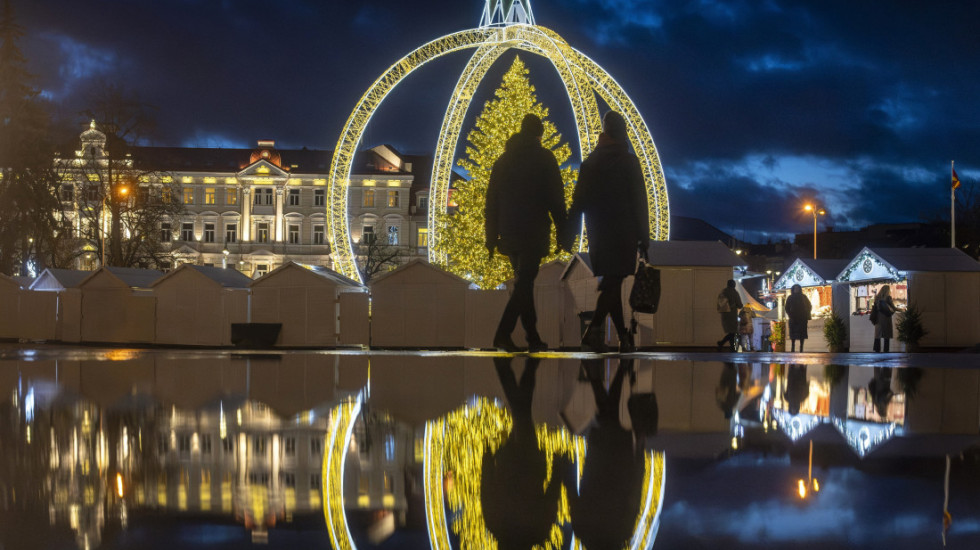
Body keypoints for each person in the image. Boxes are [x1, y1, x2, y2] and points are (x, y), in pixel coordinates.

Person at [485, 113, 568, 352]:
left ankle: (532, 336)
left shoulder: (503, 161)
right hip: (533, 230)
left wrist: (491, 238)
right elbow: (556, 200)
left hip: (509, 231)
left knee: (525, 283)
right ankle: (503, 333)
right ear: (539, 135)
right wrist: (563, 232)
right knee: (525, 281)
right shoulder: (544, 158)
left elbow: (492, 202)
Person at [568, 111, 649, 353]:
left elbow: (579, 200)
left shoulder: (590, 163)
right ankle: (593, 331)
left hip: (599, 232)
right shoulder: (629, 162)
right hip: (624, 232)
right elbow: (639, 201)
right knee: (614, 281)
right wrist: (644, 236)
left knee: (612, 282)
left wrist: (569, 230)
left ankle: (623, 337)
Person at [784, 283, 813, 352]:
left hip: (802, 318)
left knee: (802, 334)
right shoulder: (790, 297)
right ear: (793, 289)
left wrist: (806, 313)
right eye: (795, 288)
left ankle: (801, 347)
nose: (796, 290)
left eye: (797, 288)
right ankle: (793, 347)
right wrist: (790, 315)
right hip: (793, 318)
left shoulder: (803, 297)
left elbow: (809, 306)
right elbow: (786, 307)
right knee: (793, 334)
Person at [716, 280, 743, 351]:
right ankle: (722, 342)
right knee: (733, 332)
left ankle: (732, 347)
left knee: (731, 332)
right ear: (733, 285)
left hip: (724, 315)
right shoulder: (734, 292)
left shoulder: (723, 292)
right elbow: (740, 305)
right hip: (732, 315)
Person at [872, 285, 897, 352]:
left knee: (877, 334)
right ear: (888, 290)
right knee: (886, 335)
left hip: (878, 318)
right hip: (886, 318)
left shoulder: (877, 297)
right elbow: (893, 308)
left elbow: (875, 308)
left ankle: (877, 349)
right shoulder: (888, 298)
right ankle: (886, 350)